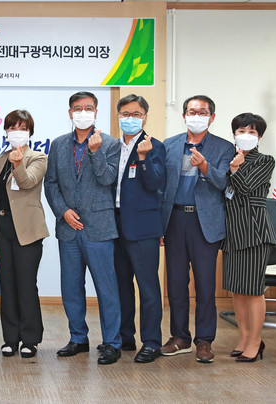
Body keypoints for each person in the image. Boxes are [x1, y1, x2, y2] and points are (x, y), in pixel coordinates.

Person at [44, 91, 122, 365]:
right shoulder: (58, 144)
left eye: (88, 108)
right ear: (70, 113)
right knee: (71, 287)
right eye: (78, 108)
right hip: (68, 228)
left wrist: (95, 152)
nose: (83, 112)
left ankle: (112, 342)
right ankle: (78, 338)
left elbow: (107, 179)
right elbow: (50, 183)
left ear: (96, 112)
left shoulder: (110, 144)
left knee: (106, 288)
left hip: (99, 227)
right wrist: (63, 211)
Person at [161, 95, 235, 363]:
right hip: (174, 220)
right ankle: (180, 337)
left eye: (202, 112)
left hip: (205, 223)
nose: (196, 116)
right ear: (183, 116)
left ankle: (204, 340)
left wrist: (204, 165)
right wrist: (159, 225)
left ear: (212, 117)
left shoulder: (224, 148)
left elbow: (224, 183)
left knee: (205, 286)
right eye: (191, 112)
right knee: (176, 284)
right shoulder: (169, 145)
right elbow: (161, 187)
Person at [0, 109, 49, 358]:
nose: (17, 132)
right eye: (12, 128)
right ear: (6, 131)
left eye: (23, 128)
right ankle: (10, 338)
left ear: (30, 132)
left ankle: (30, 339)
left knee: (26, 284)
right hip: (2, 229)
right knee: (8, 284)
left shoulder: (38, 157)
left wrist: (18, 163)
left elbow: (27, 182)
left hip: (28, 231)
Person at [111, 94, 166, 363]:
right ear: (118, 116)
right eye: (125, 114)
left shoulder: (154, 146)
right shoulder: (112, 147)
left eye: (136, 114)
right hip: (115, 224)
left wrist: (143, 158)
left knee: (148, 287)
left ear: (145, 117)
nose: (130, 119)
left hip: (143, 227)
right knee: (121, 285)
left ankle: (152, 342)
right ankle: (125, 336)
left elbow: (155, 184)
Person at [222, 113, 276, 363]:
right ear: (234, 134)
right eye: (241, 131)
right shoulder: (227, 158)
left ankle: (255, 341)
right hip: (232, 231)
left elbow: (244, 188)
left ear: (259, 136)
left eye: (252, 132)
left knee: (253, 290)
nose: (246, 135)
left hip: (254, 232)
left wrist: (235, 169)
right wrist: (231, 166)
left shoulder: (265, 160)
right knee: (238, 289)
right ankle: (243, 337)